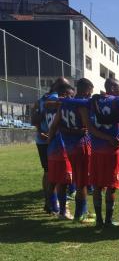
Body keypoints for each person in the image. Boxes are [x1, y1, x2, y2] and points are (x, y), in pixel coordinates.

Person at [31, 77, 70, 213]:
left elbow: (34, 119)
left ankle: (49, 202)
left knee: (48, 172)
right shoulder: (57, 99)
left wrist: (39, 130)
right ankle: (55, 204)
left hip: (43, 140)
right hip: (53, 140)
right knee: (58, 174)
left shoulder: (42, 99)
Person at [58, 78, 94, 223]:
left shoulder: (65, 103)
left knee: (79, 179)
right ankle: (80, 214)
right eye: (90, 93)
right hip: (81, 145)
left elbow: (59, 125)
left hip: (70, 145)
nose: (90, 96)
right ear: (86, 90)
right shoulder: (82, 105)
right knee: (82, 181)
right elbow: (88, 126)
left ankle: (83, 210)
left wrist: (71, 131)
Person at [89, 78, 119, 227]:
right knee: (112, 185)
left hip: (96, 149)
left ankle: (99, 220)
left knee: (97, 185)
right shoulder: (118, 101)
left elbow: (91, 128)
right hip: (112, 150)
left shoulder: (93, 102)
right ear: (111, 87)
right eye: (118, 86)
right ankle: (107, 220)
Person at [46, 82, 74, 219]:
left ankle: (50, 205)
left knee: (54, 180)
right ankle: (63, 211)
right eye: (70, 95)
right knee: (63, 181)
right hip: (62, 146)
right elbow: (60, 127)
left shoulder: (46, 102)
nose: (72, 98)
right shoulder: (61, 104)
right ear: (63, 94)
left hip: (52, 146)